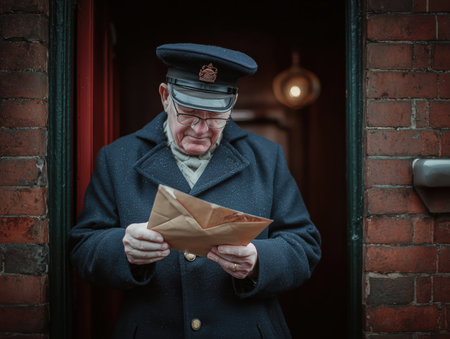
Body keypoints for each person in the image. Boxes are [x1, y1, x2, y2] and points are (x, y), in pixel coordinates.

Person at [70, 43, 321, 339]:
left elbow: (304, 246)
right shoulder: (117, 158)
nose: (200, 129)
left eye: (214, 117)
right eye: (188, 114)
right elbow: (83, 246)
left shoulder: (267, 157)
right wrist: (122, 248)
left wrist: (258, 260)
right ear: (165, 97)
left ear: (233, 103)